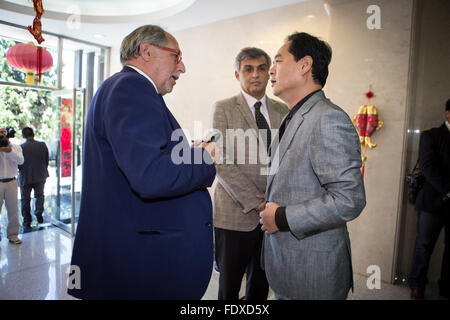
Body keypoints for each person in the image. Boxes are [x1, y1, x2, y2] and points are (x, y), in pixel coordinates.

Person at [68, 25, 217, 300]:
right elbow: (151, 176)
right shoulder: (132, 87)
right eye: (177, 56)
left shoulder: (121, 88)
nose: (182, 68)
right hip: (140, 264)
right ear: (147, 51)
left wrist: (187, 154)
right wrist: (204, 157)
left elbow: (143, 161)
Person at [259, 32, 366, 300]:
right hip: (289, 266)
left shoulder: (328, 119)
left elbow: (349, 199)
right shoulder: (294, 116)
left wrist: (281, 217)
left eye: (278, 61)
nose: (270, 70)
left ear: (304, 65)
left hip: (313, 274)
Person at [212, 47, 288, 300]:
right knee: (229, 284)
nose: (255, 74)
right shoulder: (223, 108)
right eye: (248, 69)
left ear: (269, 73)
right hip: (235, 211)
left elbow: (286, 158)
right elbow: (221, 161)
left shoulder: (283, 111)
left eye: (261, 68)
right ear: (237, 75)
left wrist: (275, 201)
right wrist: (255, 201)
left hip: (272, 211)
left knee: (261, 281)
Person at [409, 99, 450, 300]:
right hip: (432, 202)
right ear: (447, 113)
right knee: (424, 245)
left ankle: (446, 286)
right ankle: (417, 285)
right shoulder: (432, 136)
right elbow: (428, 168)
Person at [18, 127, 49, 228]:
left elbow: (18, 163)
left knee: (25, 199)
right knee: (39, 196)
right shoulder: (42, 145)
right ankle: (39, 213)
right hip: (40, 175)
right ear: (33, 134)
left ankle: (27, 220)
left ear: (23, 136)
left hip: (26, 177)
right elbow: (46, 160)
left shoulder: (20, 147)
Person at [0, 126, 24, 244]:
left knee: (13, 210)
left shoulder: (15, 147)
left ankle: (13, 235)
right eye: (0, 133)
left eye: (4, 132)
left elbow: (21, 161)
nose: (2, 135)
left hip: (12, 182)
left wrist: (9, 152)